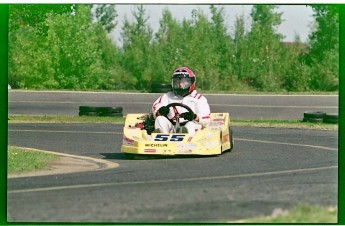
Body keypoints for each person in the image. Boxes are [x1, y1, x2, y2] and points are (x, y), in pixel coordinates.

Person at [151, 67, 211, 137]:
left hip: (191, 129)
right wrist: (160, 111)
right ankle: (162, 140)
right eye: (177, 82)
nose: (180, 85)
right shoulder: (167, 96)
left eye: (183, 82)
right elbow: (155, 108)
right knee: (160, 119)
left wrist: (194, 116)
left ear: (191, 82)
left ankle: (185, 137)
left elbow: (206, 119)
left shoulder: (199, 99)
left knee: (190, 125)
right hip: (171, 127)